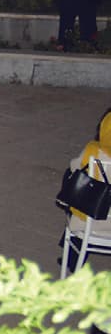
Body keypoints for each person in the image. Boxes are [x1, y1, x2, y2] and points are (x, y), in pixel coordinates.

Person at [59, 105, 111, 275]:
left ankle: (73, 260)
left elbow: (75, 172)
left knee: (79, 188)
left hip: (97, 222)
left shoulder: (94, 152)